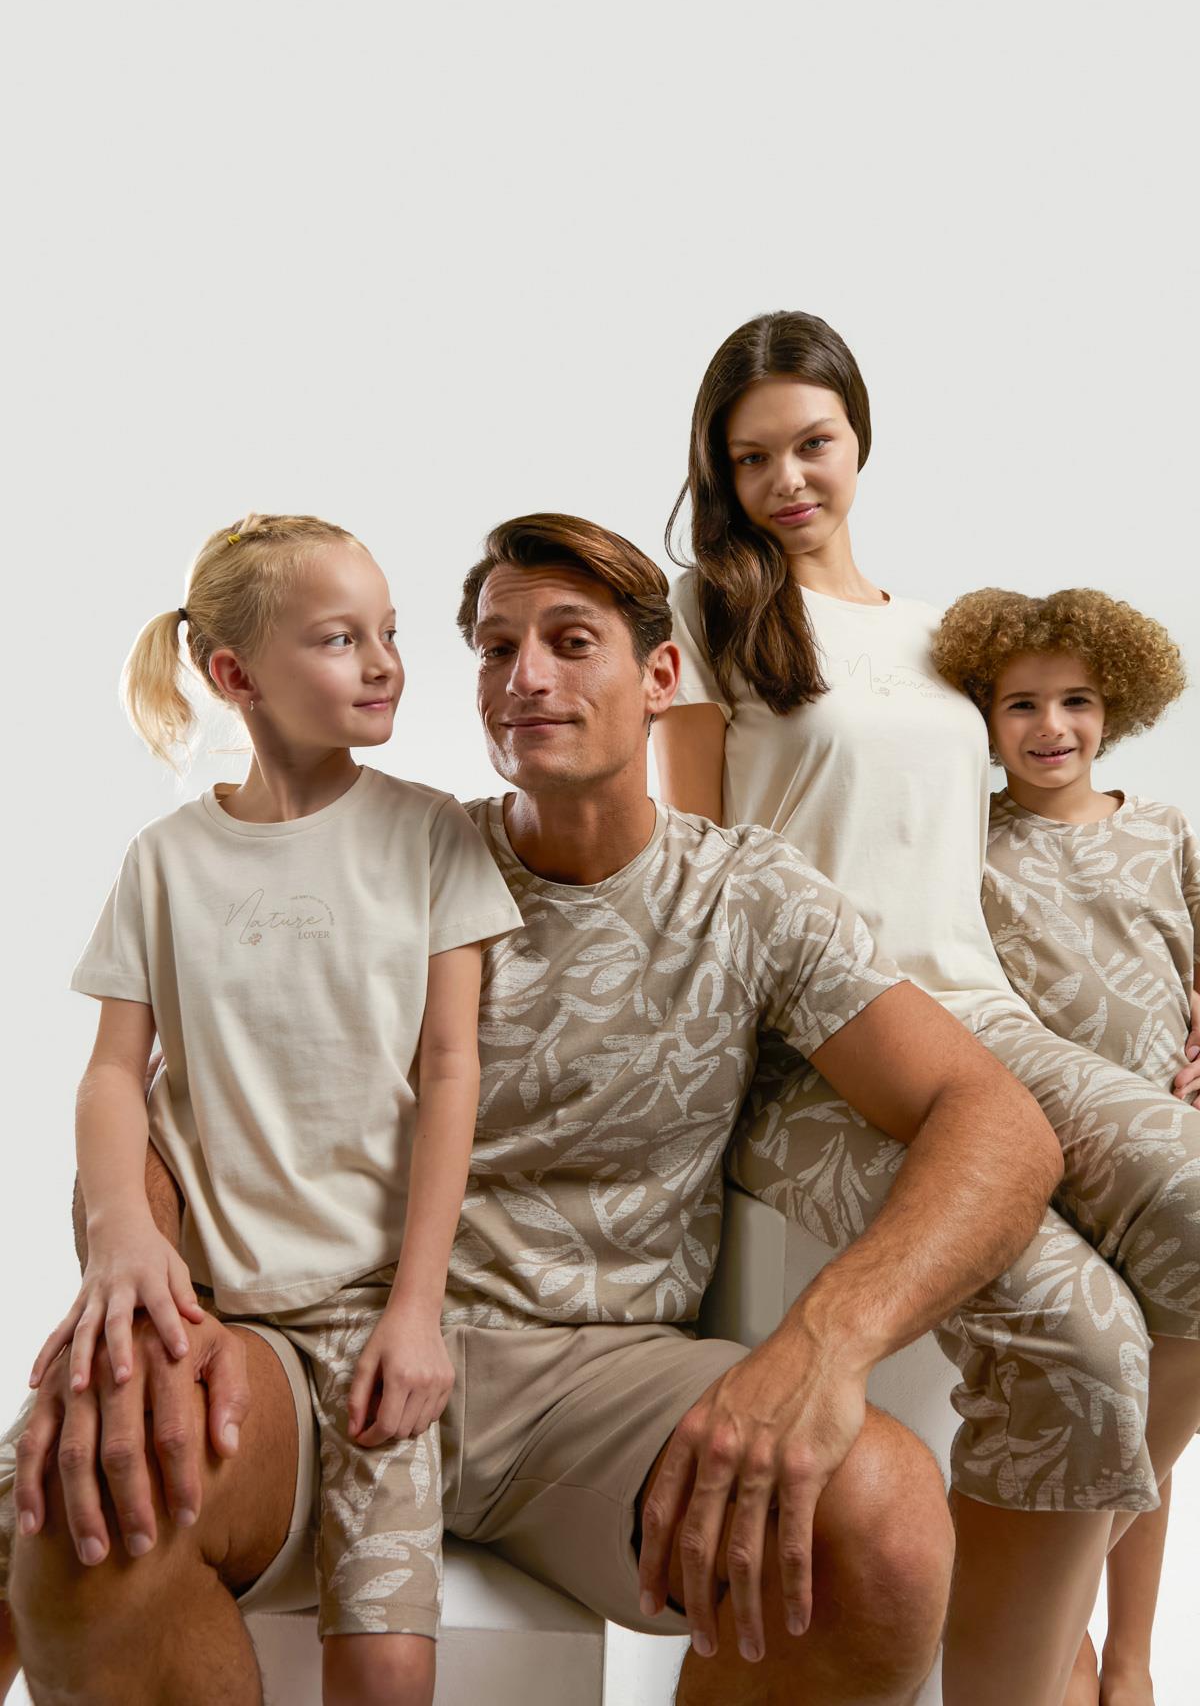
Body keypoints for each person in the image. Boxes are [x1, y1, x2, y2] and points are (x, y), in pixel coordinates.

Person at [0, 514, 1067, 1706]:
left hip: (593, 1386)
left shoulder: (749, 899)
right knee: (100, 1493)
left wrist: (826, 1346)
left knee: (884, 1524)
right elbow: (160, 1100)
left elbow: (995, 1122)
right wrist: (150, 1297)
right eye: (497, 648)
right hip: (315, 1356)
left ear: (662, 677)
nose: (525, 679)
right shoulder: (388, 854)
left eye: (570, 642)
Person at [652, 311, 1200, 1706]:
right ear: (720, 471)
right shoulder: (712, 615)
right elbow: (694, 858)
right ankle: (1023, 1664)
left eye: (813, 443)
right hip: (813, 1048)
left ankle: (1045, 1594)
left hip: (982, 1019)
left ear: (861, 437)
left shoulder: (944, 635)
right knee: (1084, 1342)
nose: (788, 480)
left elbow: (1038, 820)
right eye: (752, 457)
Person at [13, 512, 525, 1706]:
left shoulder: (432, 836)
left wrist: (417, 1310)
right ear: (234, 675)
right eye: (342, 640)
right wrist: (123, 1237)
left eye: (390, 633)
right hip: (202, 1314)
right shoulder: (165, 861)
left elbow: (453, 1074)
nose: (385, 663)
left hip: (368, 1321)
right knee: (40, 1516)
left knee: (387, 1662)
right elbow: (111, 1074)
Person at [933, 584, 1199, 1706]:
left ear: (1116, 705)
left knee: (1149, 1440)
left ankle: (1129, 1657)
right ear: (982, 719)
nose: (1052, 727)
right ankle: (1060, 1633)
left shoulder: (1162, 830)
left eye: (1077, 701)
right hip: (1062, 1152)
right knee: (1109, 1404)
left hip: (1166, 1136)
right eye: (1021, 704)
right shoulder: (973, 846)